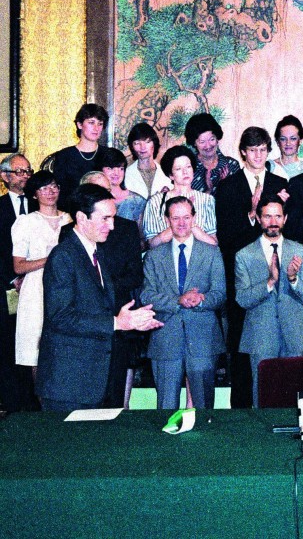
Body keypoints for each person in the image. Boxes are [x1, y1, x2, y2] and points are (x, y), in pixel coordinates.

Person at [35, 185, 161, 411]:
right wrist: (117, 322)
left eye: (113, 218)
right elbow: (60, 317)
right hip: (69, 382)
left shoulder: (97, 252)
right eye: (105, 219)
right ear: (82, 218)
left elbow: (100, 307)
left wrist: (131, 322)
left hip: (96, 378)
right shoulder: (63, 256)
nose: (112, 226)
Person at [215, 126, 289, 408]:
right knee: (242, 346)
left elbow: (287, 230)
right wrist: (251, 213)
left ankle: (277, 407)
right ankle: (242, 411)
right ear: (243, 152)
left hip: (277, 276)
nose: (258, 155)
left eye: (263, 150)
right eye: (252, 150)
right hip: (243, 279)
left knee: (277, 348)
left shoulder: (280, 183)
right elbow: (226, 237)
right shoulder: (228, 186)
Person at [140, 196, 227, 410]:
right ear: (166, 220)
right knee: (166, 407)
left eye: (186, 217)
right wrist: (177, 301)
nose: (181, 223)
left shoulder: (212, 253)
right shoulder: (153, 256)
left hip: (203, 339)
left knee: (203, 407)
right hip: (166, 339)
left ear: (194, 218)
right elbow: (146, 295)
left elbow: (220, 293)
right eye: (175, 217)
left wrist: (201, 299)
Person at [235, 196, 303, 407]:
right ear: (259, 219)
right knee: (262, 395)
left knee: (294, 395)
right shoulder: (244, 255)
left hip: (294, 333)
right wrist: (270, 281)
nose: (273, 221)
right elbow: (242, 299)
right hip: (261, 335)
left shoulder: (300, 251)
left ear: (285, 219)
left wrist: (293, 279)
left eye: (278, 216)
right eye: (267, 216)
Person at [79, 172, 147, 408]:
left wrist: (106, 288)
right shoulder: (70, 234)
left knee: (115, 396)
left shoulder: (125, 228)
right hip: (84, 322)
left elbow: (135, 275)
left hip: (119, 315)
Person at [12, 171, 72, 382]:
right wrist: (51, 259)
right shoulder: (25, 222)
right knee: (36, 350)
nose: (51, 191)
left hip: (67, 287)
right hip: (36, 290)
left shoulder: (70, 219)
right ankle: (44, 407)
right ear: (34, 194)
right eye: (44, 188)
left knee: (66, 348)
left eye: (54, 186)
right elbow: (18, 266)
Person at [0, 153, 35, 411]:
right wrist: (14, 278)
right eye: (19, 171)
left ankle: (33, 404)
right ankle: (12, 403)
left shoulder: (39, 206)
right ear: (4, 176)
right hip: (6, 289)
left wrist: (28, 277)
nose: (24, 176)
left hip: (36, 287)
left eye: (27, 171)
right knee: (8, 344)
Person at [141, 146, 217, 248]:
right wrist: (177, 222)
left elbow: (213, 242)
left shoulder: (207, 200)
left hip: (198, 258)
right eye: (178, 169)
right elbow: (152, 244)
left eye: (188, 167)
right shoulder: (156, 202)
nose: (185, 172)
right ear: (171, 175)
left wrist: (192, 224)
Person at [50, 104, 109, 212]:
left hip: (104, 212)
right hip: (72, 213)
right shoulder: (64, 156)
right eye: (91, 122)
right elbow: (60, 194)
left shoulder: (109, 154)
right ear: (79, 124)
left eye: (100, 124)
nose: (96, 128)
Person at [184, 112, 240, 195]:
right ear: (194, 143)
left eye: (212, 139)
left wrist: (224, 186)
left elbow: (239, 201)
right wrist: (208, 190)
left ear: (217, 138)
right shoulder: (189, 168)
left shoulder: (231, 165)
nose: (208, 146)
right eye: (202, 142)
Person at [97, 148, 147, 224]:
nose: (116, 173)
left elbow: (141, 233)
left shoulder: (137, 201)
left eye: (121, 168)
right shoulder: (94, 199)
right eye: (110, 168)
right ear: (100, 170)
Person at [124, 122, 172, 199]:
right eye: (137, 143)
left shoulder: (166, 173)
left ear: (154, 143)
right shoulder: (126, 175)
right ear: (132, 147)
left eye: (147, 142)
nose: (142, 147)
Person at [271, 115, 303, 179]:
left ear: (300, 140)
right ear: (277, 141)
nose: (288, 143)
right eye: (283, 139)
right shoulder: (270, 167)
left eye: (293, 138)